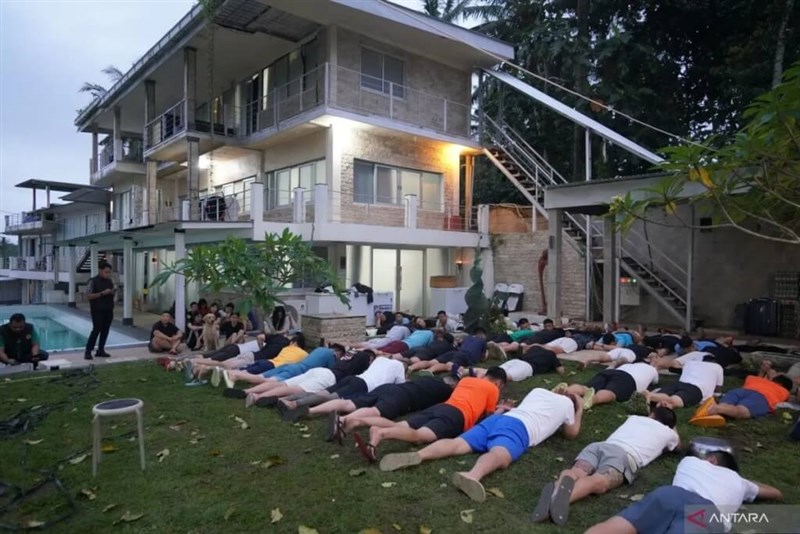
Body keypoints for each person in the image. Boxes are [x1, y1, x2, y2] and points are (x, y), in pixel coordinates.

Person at [380, 388, 582, 503]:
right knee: (500, 454)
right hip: (520, 428)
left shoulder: (538, 391)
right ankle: (472, 475)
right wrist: (579, 409)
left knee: (458, 443)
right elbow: (571, 433)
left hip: (500, 419)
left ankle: (421, 455)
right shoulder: (567, 406)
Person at [585, 439, 783, 534]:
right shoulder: (740, 482)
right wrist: (742, 483)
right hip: (707, 513)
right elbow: (774, 492)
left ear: (712, 459)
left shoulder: (690, 461)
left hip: (671, 495)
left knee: (614, 528)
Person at [533, 407, 679, 525]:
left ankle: (556, 490)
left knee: (576, 472)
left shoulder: (635, 418)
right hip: (623, 455)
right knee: (598, 482)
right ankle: (559, 502)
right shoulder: (670, 433)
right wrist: (673, 426)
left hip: (599, 446)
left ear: (652, 415)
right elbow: (677, 446)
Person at [350, 369, 507, 463]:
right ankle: (380, 432)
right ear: (499, 383)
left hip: (441, 407)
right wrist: (502, 408)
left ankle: (360, 421)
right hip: (456, 415)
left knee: (402, 425)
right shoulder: (493, 389)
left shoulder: (466, 380)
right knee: (419, 436)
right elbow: (489, 415)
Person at [314, 376, 455, 441]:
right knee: (375, 411)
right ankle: (343, 419)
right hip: (403, 397)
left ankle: (314, 412)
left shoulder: (428, 378)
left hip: (389, 387)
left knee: (351, 403)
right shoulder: (446, 391)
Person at [278, 355, 406, 421]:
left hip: (353, 378)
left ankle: (286, 398)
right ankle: (294, 404)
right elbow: (400, 386)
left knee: (322, 392)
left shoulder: (381, 359)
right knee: (330, 398)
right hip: (363, 385)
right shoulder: (400, 366)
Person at [219, 344, 346, 403]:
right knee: (272, 383)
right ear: (338, 352)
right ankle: (236, 376)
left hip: (290, 365)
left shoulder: (319, 349)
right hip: (298, 371)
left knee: (261, 377)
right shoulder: (331, 355)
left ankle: (231, 372)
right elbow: (332, 369)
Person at [690, 374, 792, 426]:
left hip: (742, 391)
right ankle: (716, 409)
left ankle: (715, 408)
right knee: (740, 411)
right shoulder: (784, 391)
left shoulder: (755, 379)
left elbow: (756, 376)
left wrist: (765, 373)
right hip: (762, 397)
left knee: (726, 403)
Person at [557, 362, 660, 410]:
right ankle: (593, 400)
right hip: (629, 379)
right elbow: (655, 382)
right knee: (612, 392)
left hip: (612, 372)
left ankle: (566, 390)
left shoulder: (630, 364)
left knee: (587, 388)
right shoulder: (653, 370)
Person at [636, 356, 724, 411]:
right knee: (674, 400)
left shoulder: (690, 363)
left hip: (679, 384)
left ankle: (651, 395)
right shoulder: (718, 367)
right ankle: (651, 397)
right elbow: (717, 390)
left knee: (664, 396)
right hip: (696, 389)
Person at [223, 334, 308, 385]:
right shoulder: (304, 354)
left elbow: (260, 337)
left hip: (265, 361)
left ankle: (222, 371)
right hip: (271, 366)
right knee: (248, 372)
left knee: (245, 368)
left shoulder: (286, 348)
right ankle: (231, 374)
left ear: (293, 342)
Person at [407, 327, 487, 375]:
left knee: (432, 361)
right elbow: (484, 357)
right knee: (449, 366)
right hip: (464, 356)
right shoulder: (483, 341)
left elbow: (459, 343)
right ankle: (429, 370)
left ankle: (411, 368)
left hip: (455, 352)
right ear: (482, 335)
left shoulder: (467, 338)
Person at [472, 344, 565, 382]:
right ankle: (479, 382)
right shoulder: (551, 354)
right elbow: (561, 371)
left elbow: (525, 350)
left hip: (516, 361)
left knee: (494, 371)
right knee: (502, 376)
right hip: (527, 367)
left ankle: (467, 371)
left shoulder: (535, 348)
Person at [84, 261, 115, 360]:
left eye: (109, 272)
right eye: (106, 272)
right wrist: (102, 293)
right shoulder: (92, 281)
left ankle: (100, 350)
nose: (108, 274)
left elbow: (111, 292)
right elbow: (88, 296)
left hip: (108, 309)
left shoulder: (109, 281)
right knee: (96, 330)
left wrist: (112, 292)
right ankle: (88, 351)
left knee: (105, 331)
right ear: (101, 271)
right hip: (97, 310)